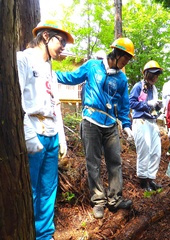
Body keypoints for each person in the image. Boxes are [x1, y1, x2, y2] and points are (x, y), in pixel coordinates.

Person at [56, 37, 135, 218]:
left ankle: (115, 198)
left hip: (110, 124)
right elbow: (72, 77)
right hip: (91, 120)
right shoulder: (93, 66)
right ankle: (98, 200)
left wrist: (127, 125)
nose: (126, 64)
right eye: (125, 59)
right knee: (93, 162)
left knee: (115, 161)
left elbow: (123, 105)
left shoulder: (122, 78)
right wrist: (52, 75)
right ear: (116, 54)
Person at [17, 20, 72, 239]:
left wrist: (62, 136)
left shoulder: (51, 69)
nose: (63, 48)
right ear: (46, 37)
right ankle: (26, 232)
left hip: (51, 134)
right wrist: (27, 133)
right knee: (31, 188)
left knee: (49, 188)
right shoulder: (23, 59)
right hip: (33, 131)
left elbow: (55, 104)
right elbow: (16, 96)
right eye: (62, 41)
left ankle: (45, 235)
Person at [129, 60, 163, 191]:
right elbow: (131, 102)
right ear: (147, 74)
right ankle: (143, 181)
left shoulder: (154, 89)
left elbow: (154, 107)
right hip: (141, 120)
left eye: (157, 75)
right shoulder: (138, 86)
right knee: (145, 150)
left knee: (156, 151)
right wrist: (147, 104)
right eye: (153, 74)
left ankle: (151, 179)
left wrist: (158, 107)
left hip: (152, 121)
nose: (155, 77)